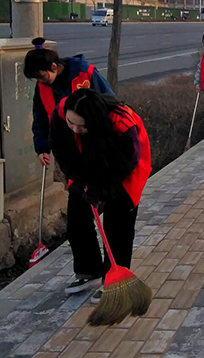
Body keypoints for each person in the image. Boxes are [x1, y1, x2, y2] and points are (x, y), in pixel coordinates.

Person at [50, 88, 151, 300]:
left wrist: (98, 189)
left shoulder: (122, 123)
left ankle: (115, 280)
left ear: (95, 121)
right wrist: (80, 179)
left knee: (118, 225)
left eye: (82, 126)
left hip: (123, 170)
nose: (75, 129)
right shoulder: (61, 112)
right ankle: (89, 270)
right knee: (77, 218)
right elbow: (62, 151)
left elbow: (126, 163)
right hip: (84, 163)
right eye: (71, 123)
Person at [24, 37, 113, 168]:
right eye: (37, 78)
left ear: (54, 67)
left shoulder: (84, 73)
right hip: (66, 146)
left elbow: (109, 101)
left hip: (94, 141)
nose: (40, 81)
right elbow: (40, 118)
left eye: (42, 76)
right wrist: (42, 148)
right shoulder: (42, 86)